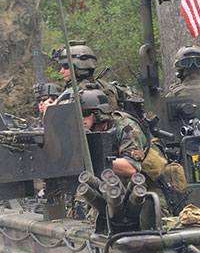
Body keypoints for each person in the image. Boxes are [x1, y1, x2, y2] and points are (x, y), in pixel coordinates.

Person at [79, 90, 186, 228]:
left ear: (99, 115)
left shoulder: (126, 127)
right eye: (79, 114)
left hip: (147, 187)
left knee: (154, 229)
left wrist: (95, 160)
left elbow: (131, 167)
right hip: (116, 190)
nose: (82, 119)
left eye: (86, 114)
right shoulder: (85, 133)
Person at [51, 40, 127, 111]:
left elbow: (60, 119)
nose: (61, 71)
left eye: (66, 67)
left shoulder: (75, 93)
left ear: (79, 67)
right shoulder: (108, 86)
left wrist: (49, 109)